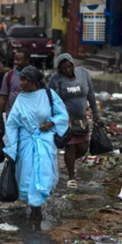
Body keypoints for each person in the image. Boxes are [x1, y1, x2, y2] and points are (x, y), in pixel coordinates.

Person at [4, 66, 69, 220]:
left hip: (44, 142)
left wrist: (51, 123)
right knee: (27, 175)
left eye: (23, 80)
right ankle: (34, 207)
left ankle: (37, 207)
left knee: (43, 174)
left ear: (33, 81)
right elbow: (12, 124)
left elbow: (63, 115)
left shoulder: (48, 95)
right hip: (26, 144)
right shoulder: (20, 99)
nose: (20, 83)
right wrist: (11, 148)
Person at [48, 53, 100, 189]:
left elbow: (91, 94)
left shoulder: (83, 74)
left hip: (82, 119)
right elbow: (51, 99)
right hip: (66, 120)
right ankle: (71, 177)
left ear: (72, 64)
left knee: (83, 148)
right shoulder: (56, 79)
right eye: (64, 68)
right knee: (70, 146)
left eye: (69, 67)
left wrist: (95, 112)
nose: (67, 70)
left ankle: (69, 163)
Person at [0, 49, 32, 132]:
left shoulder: (36, 76)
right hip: (12, 117)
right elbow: (3, 98)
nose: (15, 62)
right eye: (15, 59)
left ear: (27, 61)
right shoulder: (9, 75)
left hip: (30, 118)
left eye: (18, 60)